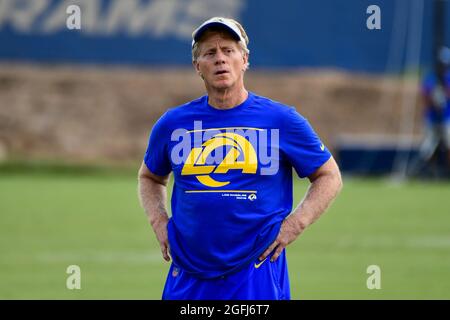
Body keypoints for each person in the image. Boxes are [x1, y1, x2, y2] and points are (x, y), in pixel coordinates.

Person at [138, 17, 343, 300]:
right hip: (188, 273)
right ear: (198, 67)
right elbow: (149, 176)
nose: (220, 59)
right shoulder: (173, 123)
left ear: (245, 59)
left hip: (256, 270)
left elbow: (329, 175)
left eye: (229, 51)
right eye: (210, 53)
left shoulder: (281, 120)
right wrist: (158, 221)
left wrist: (296, 224)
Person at [416, 46, 450, 176]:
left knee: (449, 144)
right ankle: (429, 172)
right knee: (428, 147)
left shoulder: (448, 77)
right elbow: (425, 97)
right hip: (431, 118)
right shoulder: (430, 77)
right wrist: (433, 99)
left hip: (447, 117)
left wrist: (444, 95)